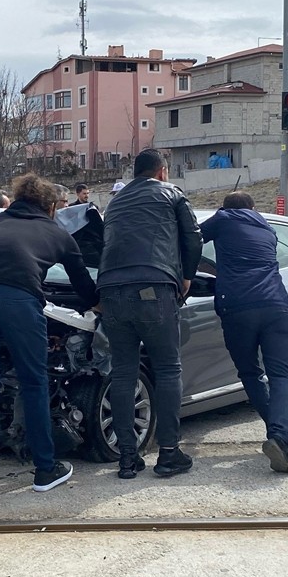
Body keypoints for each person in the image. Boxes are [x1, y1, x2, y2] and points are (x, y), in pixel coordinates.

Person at [0, 173, 98, 505]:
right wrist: (101, 304)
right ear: (51, 207)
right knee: (33, 382)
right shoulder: (58, 233)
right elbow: (83, 286)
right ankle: (44, 470)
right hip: (18, 301)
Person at [98, 148, 202, 478]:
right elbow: (194, 238)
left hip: (111, 291)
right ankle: (169, 452)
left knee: (123, 372)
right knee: (169, 367)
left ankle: (128, 456)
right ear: (161, 172)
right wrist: (186, 276)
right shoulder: (171, 193)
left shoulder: (115, 203)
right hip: (154, 287)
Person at [201, 191, 288, 473]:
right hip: (277, 305)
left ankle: (278, 434)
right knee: (281, 374)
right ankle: (280, 436)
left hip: (239, 308)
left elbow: (190, 238)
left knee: (251, 372)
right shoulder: (267, 227)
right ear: (253, 208)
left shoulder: (223, 218)